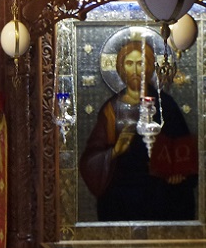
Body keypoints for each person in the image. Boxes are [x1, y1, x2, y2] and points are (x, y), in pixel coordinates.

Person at [78, 38, 198, 221]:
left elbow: (183, 151)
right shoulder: (111, 110)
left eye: (140, 63)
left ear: (149, 67)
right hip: (121, 197)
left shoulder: (166, 105)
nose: (135, 70)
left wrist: (178, 173)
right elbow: (90, 160)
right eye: (129, 63)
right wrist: (114, 151)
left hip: (160, 194)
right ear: (120, 68)